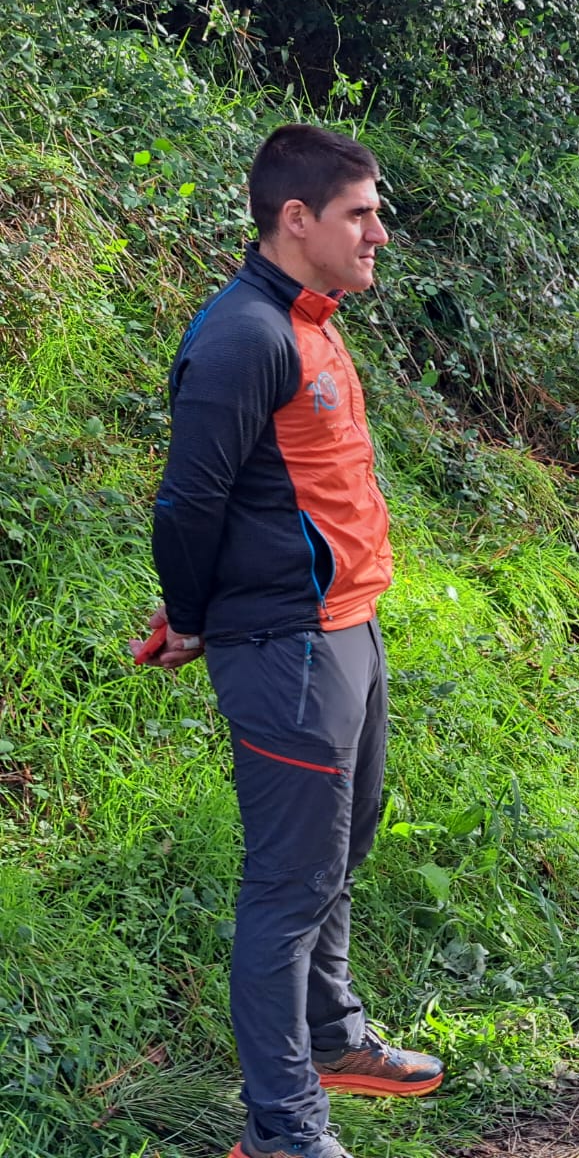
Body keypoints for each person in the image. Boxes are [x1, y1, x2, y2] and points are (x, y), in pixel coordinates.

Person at [140, 124, 442, 1158]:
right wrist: (192, 617)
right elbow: (187, 504)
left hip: (347, 628)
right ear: (295, 219)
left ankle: (333, 1037)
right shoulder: (243, 336)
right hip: (285, 647)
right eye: (361, 213)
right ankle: (280, 1130)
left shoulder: (313, 319)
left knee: (339, 853)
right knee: (287, 889)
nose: (379, 234)